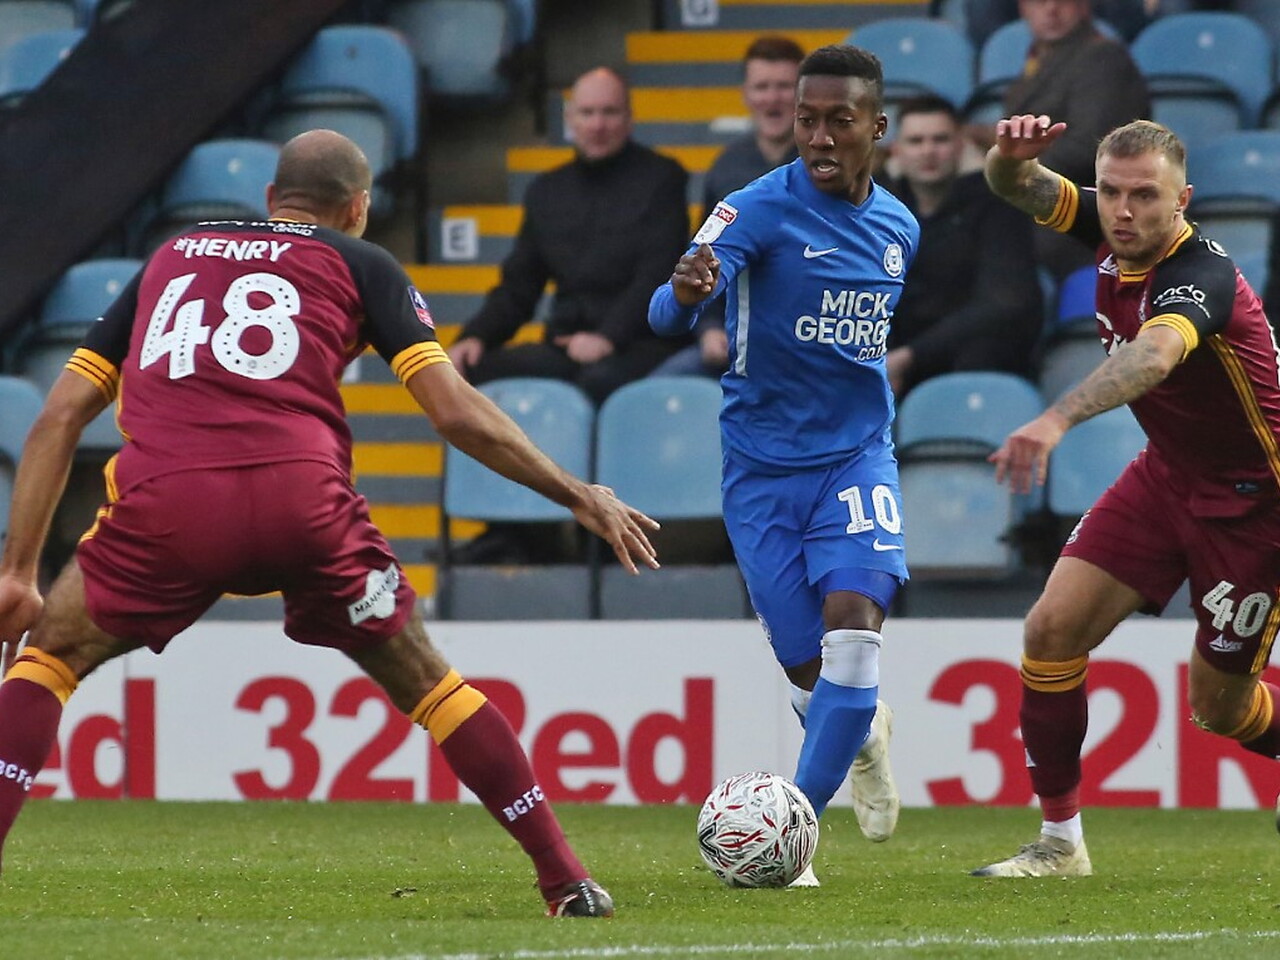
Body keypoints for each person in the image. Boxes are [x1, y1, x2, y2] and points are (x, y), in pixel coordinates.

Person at [0, 130, 661, 917]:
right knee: (432, 685)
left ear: (270, 198)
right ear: (357, 208)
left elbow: (59, 416)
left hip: (171, 504)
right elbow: (455, 412)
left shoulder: (174, 254)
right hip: (302, 502)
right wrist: (574, 491)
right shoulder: (362, 262)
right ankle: (565, 880)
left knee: (49, 660)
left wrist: (18, 572)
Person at [973, 115, 1280, 878]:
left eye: (1144, 195)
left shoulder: (1200, 275)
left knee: (1219, 709)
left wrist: (1055, 418)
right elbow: (1017, 187)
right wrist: (1007, 158)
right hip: (1167, 476)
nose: (1123, 210)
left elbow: (1153, 356)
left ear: (1183, 200)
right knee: (1051, 630)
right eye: (1110, 192)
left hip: (1255, 505)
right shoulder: (1109, 226)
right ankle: (1059, 843)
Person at [649, 44, 917, 881]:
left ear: (877, 126)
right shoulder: (751, 210)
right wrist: (687, 293)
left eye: (841, 120)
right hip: (762, 470)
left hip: (857, 457)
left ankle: (792, 841)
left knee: (854, 634)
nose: (821, 137)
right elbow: (664, 313)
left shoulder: (901, 227)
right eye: (807, 120)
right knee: (811, 671)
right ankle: (862, 734)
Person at [447, 66, 691, 404]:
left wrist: (607, 338)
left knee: (598, 381)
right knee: (470, 370)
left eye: (609, 112)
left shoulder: (663, 179)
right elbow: (519, 285)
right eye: (587, 113)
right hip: (566, 344)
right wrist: (475, 336)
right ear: (570, 119)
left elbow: (657, 275)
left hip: (642, 342)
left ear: (629, 119)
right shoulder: (547, 191)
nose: (597, 125)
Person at [653, 36, 806, 379]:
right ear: (745, 94)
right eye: (762, 87)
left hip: (808, 339)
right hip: (734, 337)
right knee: (660, 388)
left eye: (784, 87)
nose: (772, 98)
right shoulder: (726, 167)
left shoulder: (829, 165)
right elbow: (704, 256)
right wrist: (708, 329)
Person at [970, 0, 1150, 279]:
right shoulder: (1042, 58)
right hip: (1039, 207)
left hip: (1077, 218)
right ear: (1023, 8)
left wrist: (1009, 170)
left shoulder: (1102, 58)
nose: (1051, 10)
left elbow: (1093, 147)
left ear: (1084, 6)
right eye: (1039, 1)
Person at [883, 95, 1043, 397]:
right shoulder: (881, 210)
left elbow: (1006, 303)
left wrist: (909, 356)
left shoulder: (998, 206)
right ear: (897, 151)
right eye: (916, 141)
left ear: (961, 145)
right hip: (896, 362)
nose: (928, 151)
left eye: (940, 139)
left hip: (974, 361)